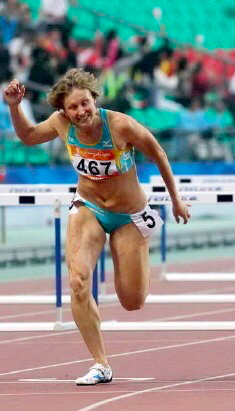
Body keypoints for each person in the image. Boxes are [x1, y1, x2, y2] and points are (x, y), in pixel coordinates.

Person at [3, 69, 191, 384]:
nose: (81, 112)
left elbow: (158, 152)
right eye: (73, 107)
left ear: (94, 100)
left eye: (85, 103)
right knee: (77, 283)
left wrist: (176, 199)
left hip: (129, 215)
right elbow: (28, 137)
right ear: (64, 110)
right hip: (88, 207)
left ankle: (127, 266)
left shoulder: (120, 125)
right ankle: (100, 364)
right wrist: (13, 106)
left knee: (133, 301)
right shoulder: (61, 123)